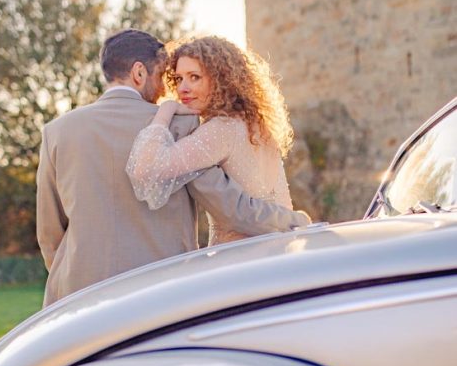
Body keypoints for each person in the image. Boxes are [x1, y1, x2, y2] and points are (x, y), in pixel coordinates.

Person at [37, 29, 310, 307]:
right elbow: (227, 205)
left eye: (190, 78)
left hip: (75, 294)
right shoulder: (180, 124)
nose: (168, 91)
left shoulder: (56, 131)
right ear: (139, 73)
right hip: (161, 290)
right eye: (165, 77)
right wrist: (294, 220)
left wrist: (71, 272)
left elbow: (49, 232)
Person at [126, 35, 302, 246]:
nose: (183, 89)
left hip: (240, 257)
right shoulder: (256, 124)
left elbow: (146, 169)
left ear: (221, 79)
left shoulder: (220, 129)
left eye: (194, 77)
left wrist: (165, 111)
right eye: (179, 79)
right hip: (281, 247)